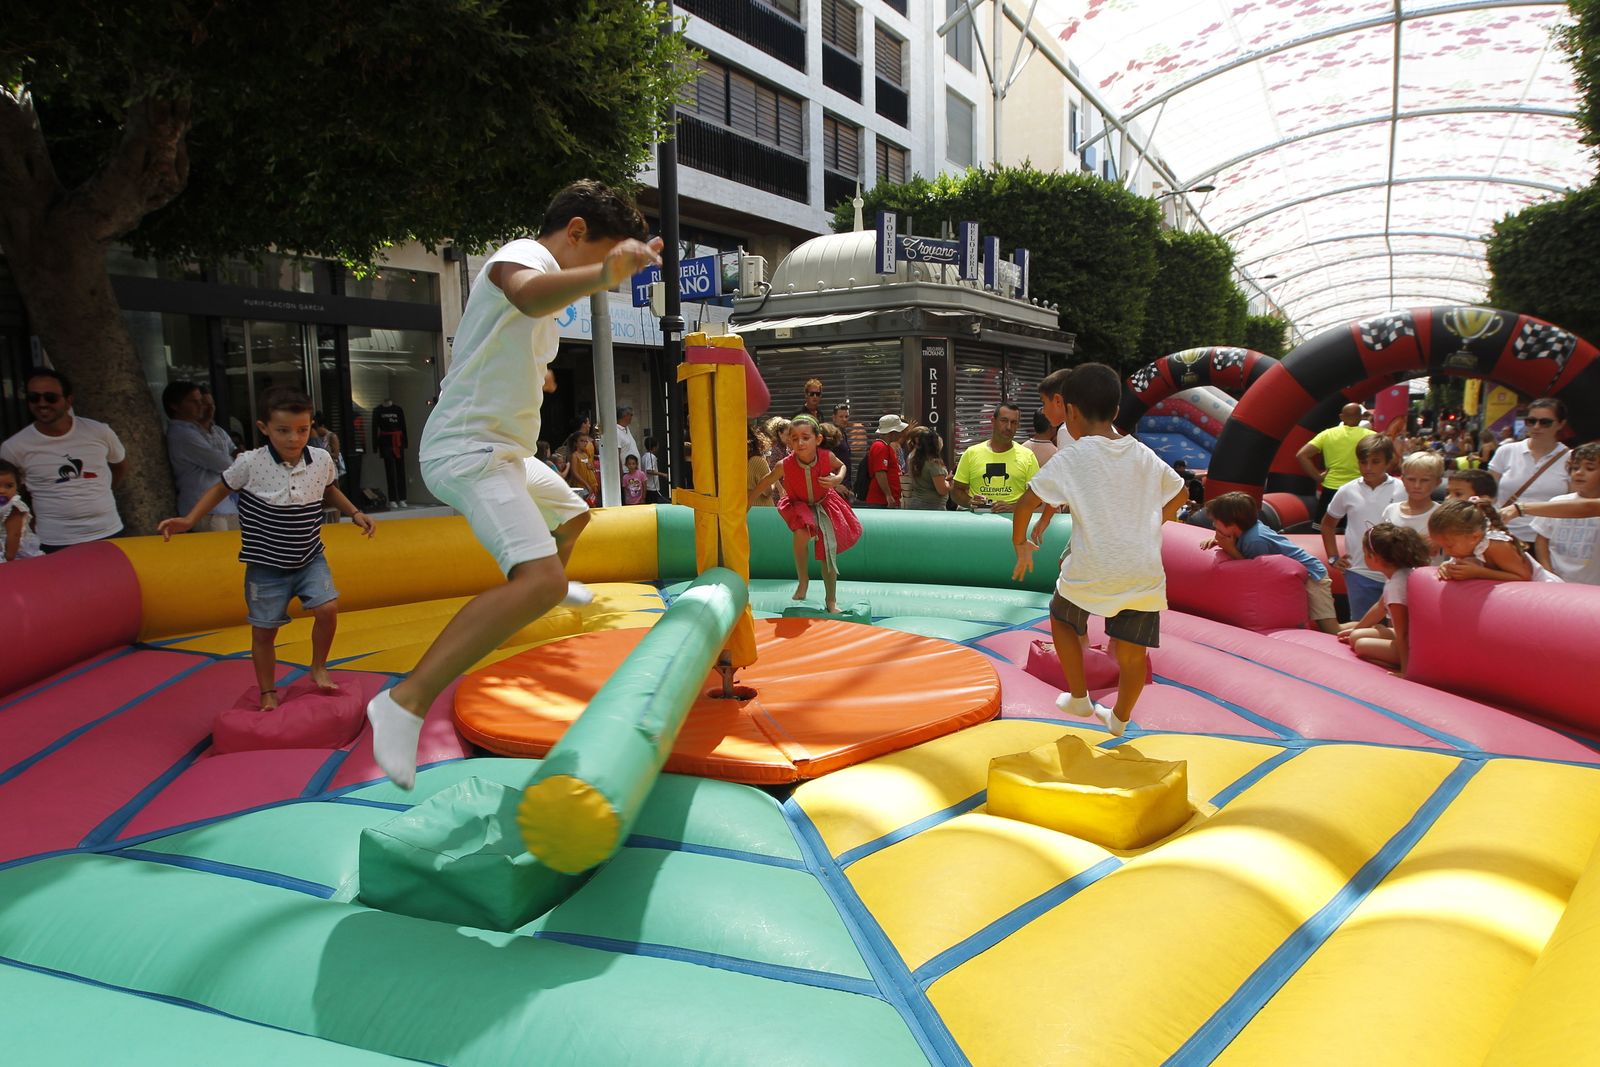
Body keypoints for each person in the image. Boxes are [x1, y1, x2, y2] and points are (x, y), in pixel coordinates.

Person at [365, 179, 661, 789]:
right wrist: (605, 274)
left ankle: (547, 587)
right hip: (470, 453)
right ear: (575, 232)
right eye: (597, 252)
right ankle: (403, 703)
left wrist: (538, 378)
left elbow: (516, 337)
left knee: (575, 516)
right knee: (538, 579)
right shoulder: (522, 256)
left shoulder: (548, 282)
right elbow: (525, 297)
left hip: (509, 452)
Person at [158, 386, 376, 709]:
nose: (294, 438)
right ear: (264, 429)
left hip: (309, 557)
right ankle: (267, 691)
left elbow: (329, 490)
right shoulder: (250, 463)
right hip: (266, 566)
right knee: (263, 631)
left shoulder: (320, 459)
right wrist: (189, 520)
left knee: (328, 609)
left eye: (302, 430)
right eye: (283, 431)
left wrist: (355, 512)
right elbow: (220, 489)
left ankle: (318, 666)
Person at [1011, 363, 1187, 737]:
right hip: (1142, 570)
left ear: (1070, 411)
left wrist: (1022, 544)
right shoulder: (1141, 453)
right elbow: (1181, 493)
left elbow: (1026, 503)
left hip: (1092, 567)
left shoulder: (1071, 457)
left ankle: (1079, 696)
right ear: (1117, 412)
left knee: (1062, 617)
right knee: (1132, 653)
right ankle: (1120, 719)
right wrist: (1153, 523)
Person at [1, 368, 128, 552]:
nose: (42, 403)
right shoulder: (14, 447)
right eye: (34, 398)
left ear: (68, 401)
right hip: (54, 541)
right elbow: (10, 495)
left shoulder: (99, 432)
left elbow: (120, 465)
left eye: (50, 397)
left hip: (108, 532)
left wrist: (101, 492)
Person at [749, 414, 861, 613]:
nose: (799, 443)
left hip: (824, 503)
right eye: (794, 439)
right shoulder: (785, 464)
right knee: (801, 534)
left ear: (817, 439)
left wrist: (838, 479)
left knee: (828, 551)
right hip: (798, 504)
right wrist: (749, 501)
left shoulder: (826, 457)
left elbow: (841, 466)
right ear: (789, 441)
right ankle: (803, 579)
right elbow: (767, 481)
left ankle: (831, 600)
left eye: (805, 437)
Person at [1204, 492, 1338, 634]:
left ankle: (1361, 629)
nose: (1213, 525)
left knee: (1331, 629)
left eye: (1216, 522)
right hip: (1301, 576)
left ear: (1233, 524)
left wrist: (1230, 549)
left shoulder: (1255, 540)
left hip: (1313, 577)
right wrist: (1218, 538)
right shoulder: (1247, 528)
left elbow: (1257, 572)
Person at [1321, 433, 1404, 622]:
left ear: (1388, 462)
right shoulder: (1347, 490)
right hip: (1359, 572)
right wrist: (1333, 557)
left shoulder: (1402, 489)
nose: (1368, 468)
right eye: (1363, 462)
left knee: (1397, 630)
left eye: (1375, 462)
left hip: (1397, 573)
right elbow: (1328, 524)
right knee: (1361, 625)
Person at [1337, 523, 1433, 675]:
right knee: (1356, 636)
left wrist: (1406, 672)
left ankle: (1403, 665)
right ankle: (1378, 636)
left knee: (1361, 645)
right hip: (1413, 636)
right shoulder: (1399, 574)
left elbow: (1403, 634)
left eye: (1364, 553)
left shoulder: (1397, 585)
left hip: (1416, 646)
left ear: (1373, 557)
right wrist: (1356, 629)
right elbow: (1380, 607)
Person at [1490, 397, 1572, 547]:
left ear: (1561, 424)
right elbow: (1488, 494)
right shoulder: (1506, 451)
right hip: (1503, 538)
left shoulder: (1571, 459)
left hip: (1548, 542)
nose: (1536, 427)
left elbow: (1574, 502)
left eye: (1545, 422)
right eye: (1531, 421)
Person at [164, 380, 239, 532]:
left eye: (200, 401)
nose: (200, 406)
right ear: (175, 406)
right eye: (193, 401)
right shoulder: (182, 434)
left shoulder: (205, 430)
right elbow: (223, 463)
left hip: (224, 506)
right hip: (208, 512)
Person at [1429, 498, 1558, 583]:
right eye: (1442, 547)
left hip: (1547, 593)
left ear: (1475, 537)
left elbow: (1524, 577)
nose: (1447, 551)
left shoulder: (1495, 545)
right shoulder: (1464, 545)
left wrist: (1478, 573)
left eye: (1449, 546)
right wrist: (1446, 567)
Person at [1527, 442, 1600, 585]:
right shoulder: (1557, 502)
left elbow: (1588, 507)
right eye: (1575, 468)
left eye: (1590, 468)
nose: (1579, 472)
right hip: (1558, 582)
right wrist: (1547, 572)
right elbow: (1542, 539)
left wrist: (1521, 508)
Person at [952, 404, 1040, 513]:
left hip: (1012, 525)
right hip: (978, 524)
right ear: (993, 421)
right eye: (1004, 420)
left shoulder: (1028, 456)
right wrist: (970, 501)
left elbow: (1038, 495)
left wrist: (1014, 507)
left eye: (1013, 423)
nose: (1008, 427)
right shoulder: (971, 453)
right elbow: (956, 491)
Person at [1296, 402, 1375, 518]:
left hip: (1331, 488)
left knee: (1324, 529)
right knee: (1356, 529)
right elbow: (1391, 460)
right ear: (1361, 418)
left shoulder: (1327, 434)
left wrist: (1317, 477)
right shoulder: (1371, 436)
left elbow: (1302, 455)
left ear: (1341, 417)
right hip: (1360, 488)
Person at [1379, 451, 1443, 541]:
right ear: (1403, 480)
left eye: (1425, 480)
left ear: (1437, 482)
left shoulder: (1442, 515)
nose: (1417, 486)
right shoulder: (1390, 511)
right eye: (1411, 479)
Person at [0, 459, 44, 563]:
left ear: (17, 486)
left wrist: (8, 558)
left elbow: (14, 535)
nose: (2, 491)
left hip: (15, 551)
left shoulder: (13, 506)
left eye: (9, 486)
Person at [863, 414, 909, 509]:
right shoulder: (880, 446)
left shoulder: (886, 446)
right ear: (892, 432)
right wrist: (888, 495)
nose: (901, 433)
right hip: (881, 501)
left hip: (885, 500)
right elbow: (880, 472)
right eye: (899, 430)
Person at [905, 427, 952, 510]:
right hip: (933, 508)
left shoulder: (912, 458)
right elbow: (942, 490)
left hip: (915, 505)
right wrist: (950, 481)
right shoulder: (933, 463)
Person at [565, 430, 598, 505]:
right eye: (582, 441)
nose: (584, 443)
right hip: (581, 486)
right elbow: (574, 473)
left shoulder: (586, 454)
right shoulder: (574, 456)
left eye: (586, 441)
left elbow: (591, 468)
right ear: (576, 443)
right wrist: (586, 484)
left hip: (591, 485)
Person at [748, 428, 777, 507]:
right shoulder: (757, 461)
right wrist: (774, 480)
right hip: (761, 511)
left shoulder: (733, 464)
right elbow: (767, 492)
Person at [615, 406, 641, 471]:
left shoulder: (626, 428)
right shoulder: (616, 431)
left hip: (635, 471)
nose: (632, 417)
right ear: (625, 416)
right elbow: (617, 454)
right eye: (631, 415)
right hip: (626, 472)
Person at [642, 434, 664, 503]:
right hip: (651, 487)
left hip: (646, 486)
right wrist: (663, 474)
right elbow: (649, 470)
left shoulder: (644, 456)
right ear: (654, 447)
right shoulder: (652, 457)